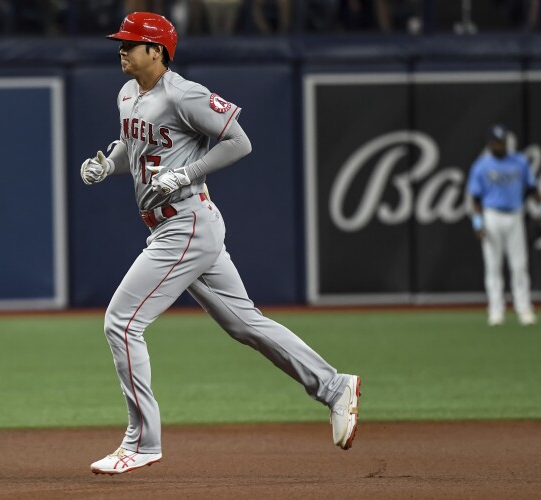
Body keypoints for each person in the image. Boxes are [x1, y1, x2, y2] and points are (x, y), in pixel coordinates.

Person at [80, 11, 361, 475]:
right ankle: (334, 387)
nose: (122, 50)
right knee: (245, 324)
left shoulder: (182, 93)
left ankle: (142, 442)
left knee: (122, 322)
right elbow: (136, 146)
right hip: (177, 225)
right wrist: (107, 165)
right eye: (122, 42)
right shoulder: (128, 93)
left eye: (131, 43)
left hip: (185, 223)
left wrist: (187, 172)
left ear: (158, 51)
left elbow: (239, 141)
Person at [467, 124, 541, 326]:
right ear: (489, 143)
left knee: (519, 265)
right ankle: (496, 309)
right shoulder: (481, 166)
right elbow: (476, 199)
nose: (500, 145)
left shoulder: (519, 162)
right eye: (496, 142)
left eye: (502, 141)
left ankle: (523, 308)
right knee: (493, 266)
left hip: (515, 215)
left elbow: (532, 188)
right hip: (492, 215)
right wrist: (478, 223)